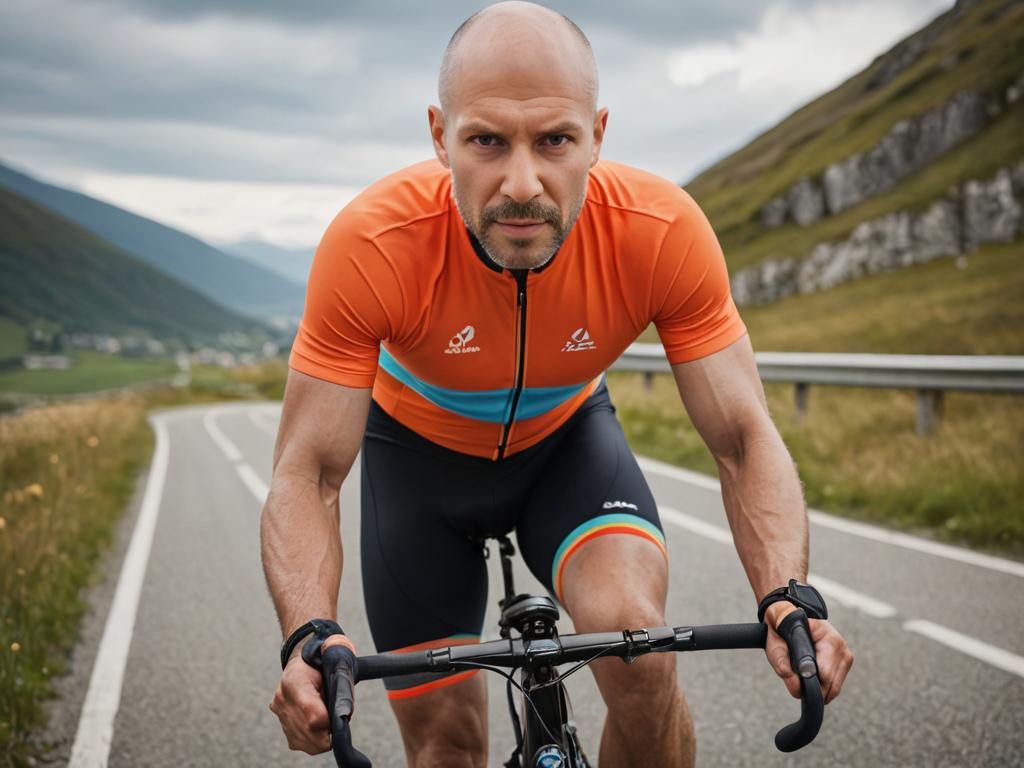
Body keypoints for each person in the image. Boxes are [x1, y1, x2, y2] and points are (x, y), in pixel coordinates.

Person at [262, 3, 854, 766]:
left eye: (554, 140)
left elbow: (743, 440)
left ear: (597, 134)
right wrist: (310, 632)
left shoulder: (659, 231)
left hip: (565, 452)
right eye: (486, 140)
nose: (522, 182)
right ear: (440, 135)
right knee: (447, 742)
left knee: (639, 650)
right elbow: (307, 473)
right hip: (416, 469)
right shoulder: (372, 244)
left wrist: (785, 595)